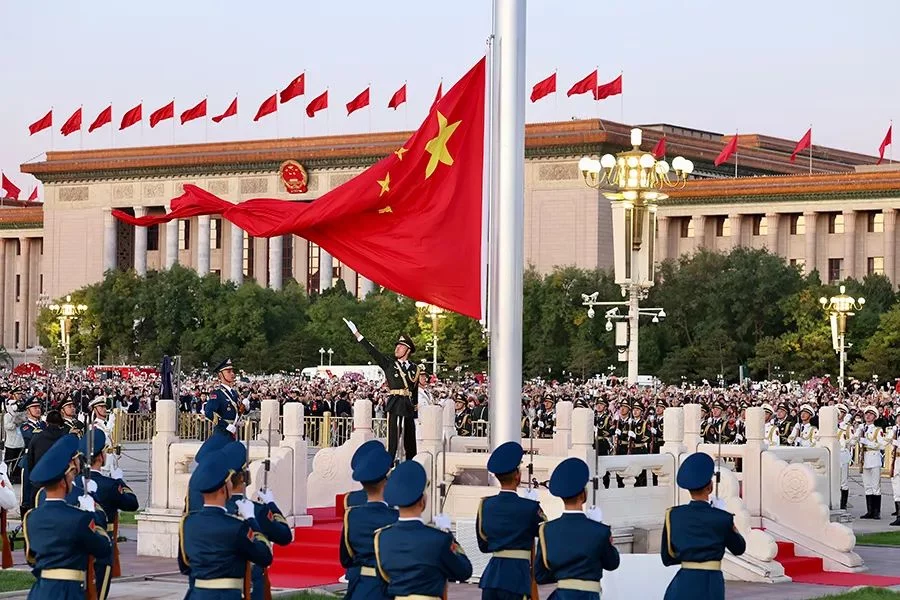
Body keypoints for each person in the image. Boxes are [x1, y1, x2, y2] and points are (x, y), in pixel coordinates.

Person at [23, 434, 112, 600]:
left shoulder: (31, 517)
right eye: (70, 476)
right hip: (68, 592)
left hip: (39, 592)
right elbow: (103, 548)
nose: (72, 479)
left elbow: (32, 558)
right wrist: (92, 514)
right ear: (63, 482)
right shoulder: (79, 518)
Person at [177, 447, 273, 599]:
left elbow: (184, 565)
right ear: (223, 489)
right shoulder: (236, 526)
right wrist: (252, 520)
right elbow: (264, 556)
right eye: (228, 482)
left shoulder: (187, 523)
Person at [374, 461, 472, 594]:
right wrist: (449, 534)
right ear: (422, 502)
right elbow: (464, 571)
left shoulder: (382, 537)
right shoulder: (439, 539)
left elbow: (383, 578)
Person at [660, 452, 746, 600]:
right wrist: (725, 518)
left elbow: (667, 557)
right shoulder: (722, 518)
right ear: (710, 487)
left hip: (682, 584)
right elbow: (739, 548)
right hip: (710, 585)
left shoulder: (673, 515)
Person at [534, 457, 620, 598]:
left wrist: (565, 576)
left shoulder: (546, 530)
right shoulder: (600, 531)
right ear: (583, 494)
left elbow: (540, 575)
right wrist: (599, 526)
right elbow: (612, 563)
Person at [222, 441, 292, 600]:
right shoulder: (257, 510)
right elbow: (285, 536)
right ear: (243, 477)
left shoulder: (215, 511)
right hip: (250, 585)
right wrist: (271, 504)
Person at [344, 319, 421, 462]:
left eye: (401, 346)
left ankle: (411, 465)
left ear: (408, 350)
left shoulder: (415, 369)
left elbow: (414, 391)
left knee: (410, 439)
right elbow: (373, 351)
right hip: (395, 403)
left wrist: (415, 408)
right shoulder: (390, 364)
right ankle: (389, 464)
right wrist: (357, 334)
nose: (397, 348)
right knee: (393, 439)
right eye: (397, 345)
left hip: (408, 405)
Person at [477, 441, 545, 600]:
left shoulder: (485, 505)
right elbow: (545, 534)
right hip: (518, 578)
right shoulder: (530, 507)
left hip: (492, 577)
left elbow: (483, 545)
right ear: (518, 476)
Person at [75, 428, 138, 599]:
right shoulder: (110, 485)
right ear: (101, 457)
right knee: (98, 592)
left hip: (79, 544)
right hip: (102, 543)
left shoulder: (74, 482)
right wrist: (119, 481)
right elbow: (132, 503)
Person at [340, 445, 397, 600]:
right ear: (386, 481)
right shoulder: (395, 517)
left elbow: (346, 558)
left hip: (359, 586)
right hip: (388, 587)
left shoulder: (351, 515)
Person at [23, 410, 66, 517]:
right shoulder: (65, 438)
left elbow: (30, 460)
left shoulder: (37, 437)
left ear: (46, 423)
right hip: (60, 483)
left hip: (39, 482)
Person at [203, 359, 250, 443]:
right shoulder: (217, 393)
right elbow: (209, 412)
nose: (232, 374)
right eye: (228, 372)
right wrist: (226, 425)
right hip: (222, 432)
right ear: (220, 375)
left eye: (232, 371)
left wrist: (246, 407)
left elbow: (239, 412)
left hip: (235, 432)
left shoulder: (235, 393)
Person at [857, 405, 887, 520]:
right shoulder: (862, 428)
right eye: (866, 414)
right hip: (864, 459)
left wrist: (867, 442)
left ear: (875, 417)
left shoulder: (877, 430)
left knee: (875, 486)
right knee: (867, 486)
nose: (868, 416)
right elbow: (853, 440)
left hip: (874, 458)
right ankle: (869, 511)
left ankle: (876, 512)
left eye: (871, 414)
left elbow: (882, 445)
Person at [889, 413, 900, 526]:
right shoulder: (895, 431)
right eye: (898, 417)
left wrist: (897, 443)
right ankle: (899, 516)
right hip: (896, 461)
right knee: (896, 489)